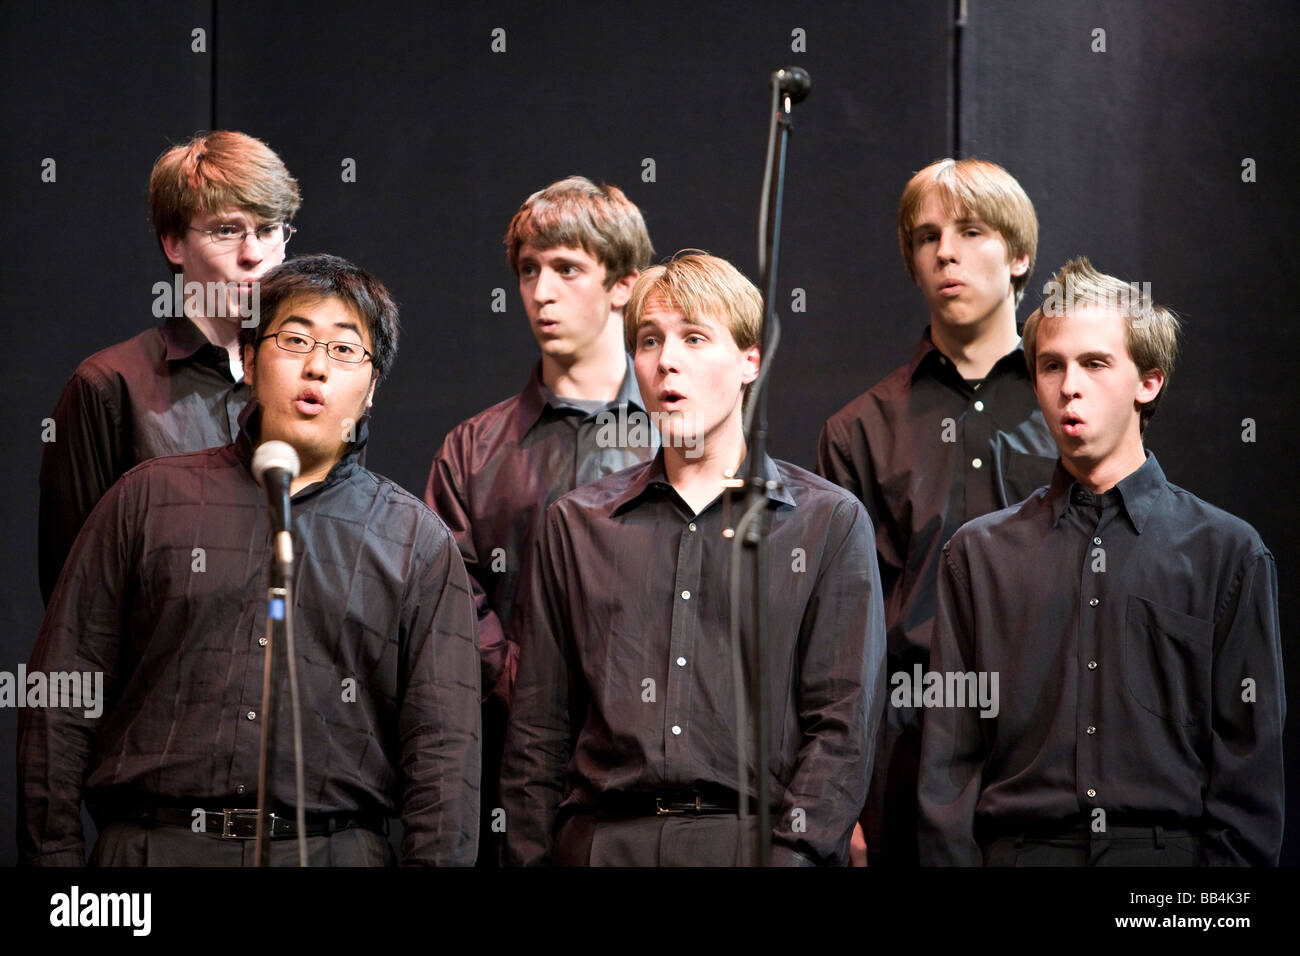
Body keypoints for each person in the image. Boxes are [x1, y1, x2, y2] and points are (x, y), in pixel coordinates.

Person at [20, 254, 481, 866]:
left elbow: (444, 758)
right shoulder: (146, 499)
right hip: (154, 849)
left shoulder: (416, 541)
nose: (316, 366)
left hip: (332, 851)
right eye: (294, 340)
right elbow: (61, 694)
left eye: (345, 351)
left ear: (370, 389)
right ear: (251, 358)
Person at [500, 252, 886, 866]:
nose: (666, 361)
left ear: (749, 362)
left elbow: (843, 725)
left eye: (695, 338)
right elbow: (538, 732)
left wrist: (797, 857)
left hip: (754, 842)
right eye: (649, 341)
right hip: (603, 839)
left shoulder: (827, 522)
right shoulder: (576, 524)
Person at [917, 257, 1285, 866]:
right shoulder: (979, 556)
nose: (1069, 386)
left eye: (1094, 363)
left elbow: (1248, 775)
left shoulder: (1226, 553)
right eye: (1051, 366)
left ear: (1149, 381)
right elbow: (949, 767)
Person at [817, 158, 1057, 865]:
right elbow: (842, 636)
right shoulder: (858, 430)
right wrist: (846, 803)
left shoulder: (1073, 408)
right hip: (912, 742)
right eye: (926, 238)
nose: (945, 251)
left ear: (1018, 256)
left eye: (970, 230)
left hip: (1058, 731)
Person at [424, 176, 655, 863]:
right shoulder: (474, 448)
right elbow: (446, 586)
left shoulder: (679, 437)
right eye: (529, 271)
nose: (541, 291)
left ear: (622, 285)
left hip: (651, 762)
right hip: (514, 762)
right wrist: (517, 674)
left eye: (567, 268)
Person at [39, 130, 301, 603]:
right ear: (174, 244)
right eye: (227, 230)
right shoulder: (108, 387)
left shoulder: (311, 378)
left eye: (268, 230)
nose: (254, 255)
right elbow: (74, 602)